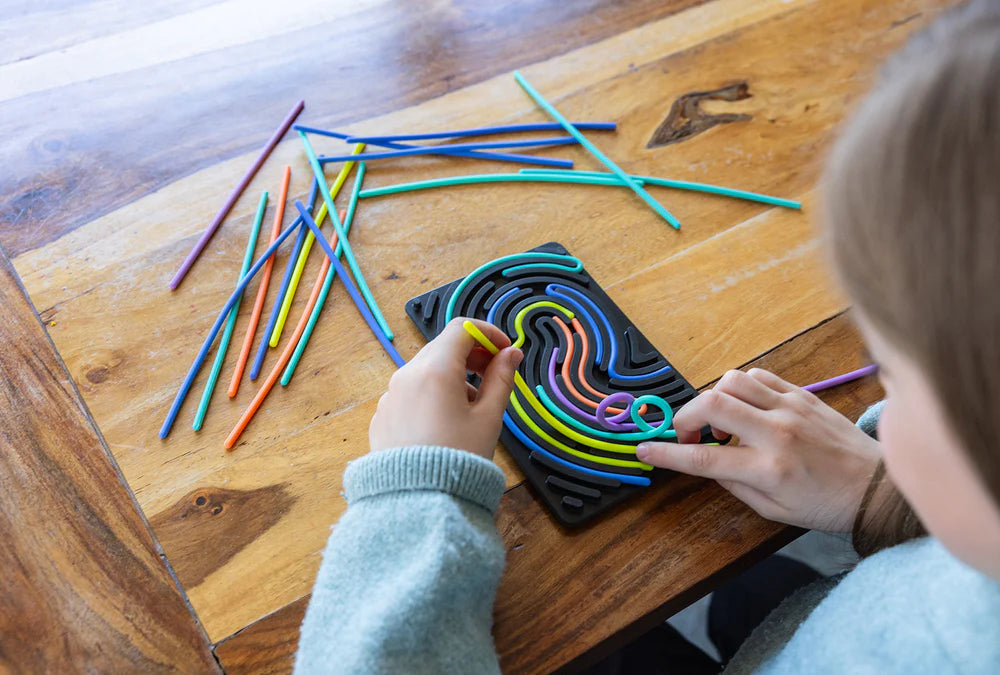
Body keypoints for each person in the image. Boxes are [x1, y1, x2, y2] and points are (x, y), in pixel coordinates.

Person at [293, 3, 1000, 672]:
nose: (882, 404)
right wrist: (889, 502)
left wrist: (415, 491)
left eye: (897, 379)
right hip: (848, 601)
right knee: (741, 602)